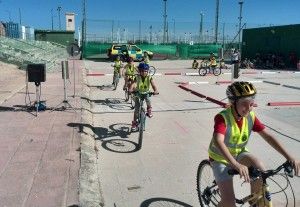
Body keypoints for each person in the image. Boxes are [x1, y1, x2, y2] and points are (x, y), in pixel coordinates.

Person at [208, 81, 300, 207]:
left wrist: (289, 156)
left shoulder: (250, 116)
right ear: (233, 103)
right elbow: (218, 141)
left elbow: (268, 136)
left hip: (239, 154)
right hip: (220, 159)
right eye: (244, 104)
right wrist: (235, 165)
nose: (249, 108)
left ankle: (254, 202)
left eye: (251, 104)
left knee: (260, 168)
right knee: (229, 202)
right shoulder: (222, 118)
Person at [129, 62, 159, 131]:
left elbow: (153, 85)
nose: (144, 72)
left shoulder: (149, 77)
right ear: (139, 71)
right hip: (138, 93)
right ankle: (134, 123)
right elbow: (133, 84)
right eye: (142, 71)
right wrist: (130, 89)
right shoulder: (137, 77)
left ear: (147, 71)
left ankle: (149, 110)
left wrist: (155, 90)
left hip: (146, 93)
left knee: (148, 99)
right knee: (136, 109)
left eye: (145, 71)